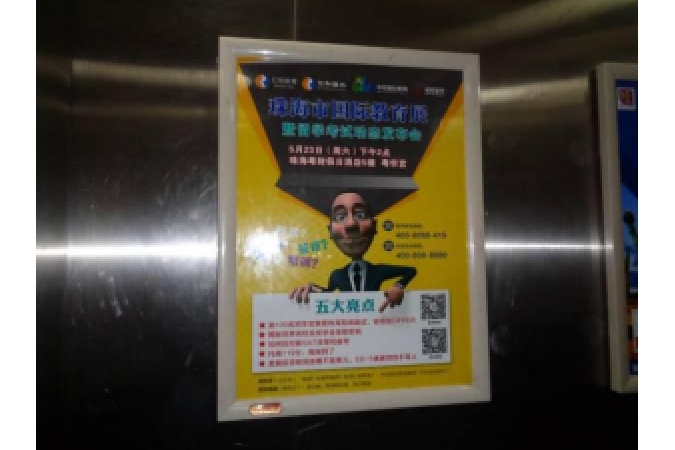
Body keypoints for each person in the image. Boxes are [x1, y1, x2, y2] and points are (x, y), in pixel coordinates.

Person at [289, 191, 417, 312]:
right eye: (340, 217)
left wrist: (398, 286)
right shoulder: (337, 274)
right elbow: (328, 293)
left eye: (360, 215)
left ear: (374, 226)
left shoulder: (378, 271)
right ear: (330, 231)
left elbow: (411, 270)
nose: (351, 224)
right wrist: (311, 289)